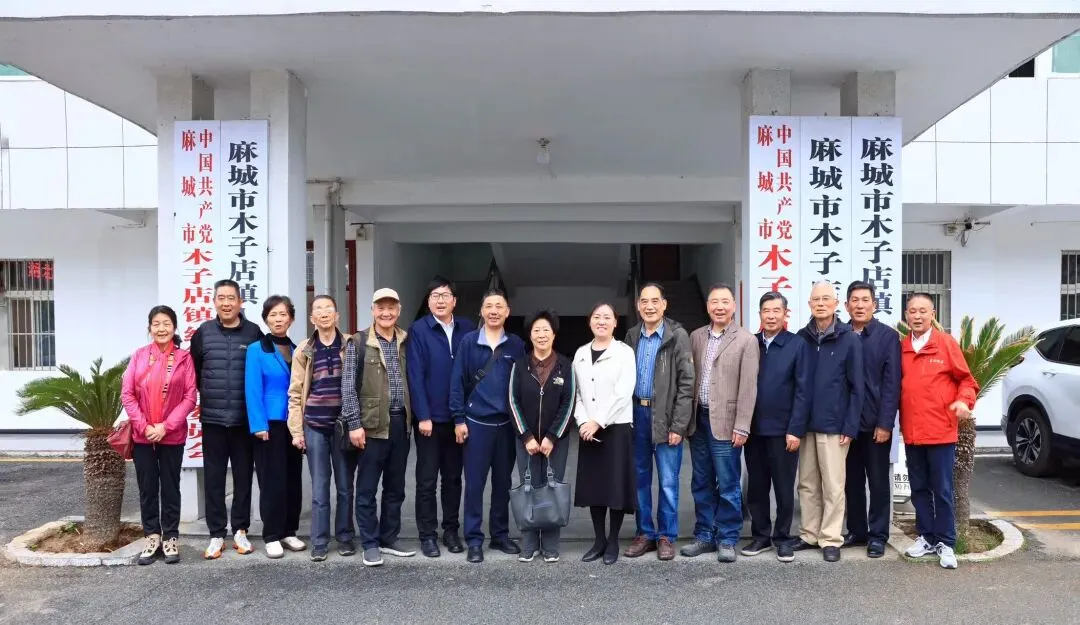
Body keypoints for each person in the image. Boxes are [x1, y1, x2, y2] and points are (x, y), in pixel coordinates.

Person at [899, 293, 978, 570]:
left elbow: (967, 381)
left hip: (941, 432)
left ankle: (946, 542)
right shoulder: (902, 348)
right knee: (919, 489)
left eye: (923, 311)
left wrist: (964, 401)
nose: (917, 316)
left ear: (933, 314)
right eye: (912, 311)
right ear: (906, 315)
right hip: (912, 432)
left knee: (942, 490)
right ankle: (926, 537)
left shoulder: (945, 344)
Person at [682, 284, 760, 563]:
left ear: (734, 306)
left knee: (728, 483)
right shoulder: (696, 336)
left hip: (727, 423)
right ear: (708, 306)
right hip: (699, 420)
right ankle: (704, 534)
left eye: (725, 302)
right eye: (714, 302)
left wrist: (742, 425)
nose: (719, 307)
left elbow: (749, 387)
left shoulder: (746, 340)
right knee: (700, 481)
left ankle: (727, 537)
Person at [342, 288, 417, 567]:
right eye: (381, 307)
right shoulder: (359, 342)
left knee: (396, 487)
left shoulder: (406, 341)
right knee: (367, 488)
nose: (386, 313)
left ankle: (388, 537)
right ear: (373, 310)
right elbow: (348, 386)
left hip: (400, 423)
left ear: (399, 310)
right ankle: (370, 543)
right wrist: (354, 424)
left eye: (391, 307)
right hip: (371, 425)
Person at [449, 289, 526, 563]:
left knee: (503, 483)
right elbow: (457, 381)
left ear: (507, 312)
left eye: (499, 306)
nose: (494, 311)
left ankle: (500, 535)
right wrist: (458, 419)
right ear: (481, 311)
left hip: (506, 426)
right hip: (475, 425)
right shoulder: (469, 342)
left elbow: (522, 384)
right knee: (474, 485)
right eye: (489, 306)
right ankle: (473, 539)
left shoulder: (515, 345)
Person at [189, 279, 263, 560]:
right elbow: (195, 371)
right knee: (214, 477)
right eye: (221, 298)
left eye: (231, 298)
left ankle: (240, 530)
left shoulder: (253, 333)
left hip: (244, 420)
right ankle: (216, 533)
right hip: (213, 419)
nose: (226, 303)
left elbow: (259, 372)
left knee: (243, 477)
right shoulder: (203, 333)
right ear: (214, 302)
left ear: (240, 302)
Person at [792, 281, 864, 563]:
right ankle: (809, 533)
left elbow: (857, 387)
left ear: (836, 304)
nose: (820, 304)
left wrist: (850, 425)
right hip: (806, 424)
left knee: (833, 485)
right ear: (809, 304)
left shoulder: (849, 339)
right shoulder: (802, 338)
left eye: (826, 299)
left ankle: (831, 538)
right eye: (816, 299)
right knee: (807, 483)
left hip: (835, 426)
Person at [623, 283, 695, 561]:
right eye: (644, 301)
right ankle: (645, 533)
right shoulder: (632, 335)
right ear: (638, 306)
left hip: (665, 416)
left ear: (664, 305)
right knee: (639, 479)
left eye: (655, 301)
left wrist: (679, 425)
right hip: (637, 415)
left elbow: (687, 383)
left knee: (667, 481)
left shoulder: (677, 335)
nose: (649, 306)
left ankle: (666, 536)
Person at [406, 276, 476, 557]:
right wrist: (423, 414)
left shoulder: (467, 328)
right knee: (426, 480)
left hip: (458, 419)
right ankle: (427, 535)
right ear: (428, 301)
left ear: (454, 301)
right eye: (435, 295)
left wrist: (465, 415)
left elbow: (472, 372)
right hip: (430, 420)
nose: (440, 300)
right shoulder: (419, 330)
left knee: (453, 478)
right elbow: (415, 374)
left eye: (445, 295)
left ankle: (450, 531)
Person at [122, 305, 197, 565]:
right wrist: (144, 427)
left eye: (166, 323)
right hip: (143, 436)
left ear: (174, 328)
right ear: (149, 328)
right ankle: (152, 536)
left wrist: (166, 426)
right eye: (156, 324)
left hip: (172, 435)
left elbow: (190, 396)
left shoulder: (184, 359)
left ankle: (171, 537)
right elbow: (127, 395)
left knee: (170, 487)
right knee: (147, 488)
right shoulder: (139, 356)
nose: (161, 328)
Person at [742, 292, 810, 563]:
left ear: (785, 314)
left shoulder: (797, 344)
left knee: (783, 488)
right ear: (760, 314)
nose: (771, 316)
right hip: (754, 429)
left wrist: (795, 429)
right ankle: (760, 535)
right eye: (766, 311)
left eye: (776, 311)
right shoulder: (751, 343)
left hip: (784, 431)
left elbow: (803, 391)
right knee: (757, 487)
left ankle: (782, 538)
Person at [287, 294, 356, 562]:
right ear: (312, 318)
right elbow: (295, 393)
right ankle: (319, 540)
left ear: (337, 315)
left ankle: (345, 537)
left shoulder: (350, 344)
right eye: (318, 309)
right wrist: (297, 431)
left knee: (345, 486)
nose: (324, 313)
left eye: (329, 308)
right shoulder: (304, 349)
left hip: (343, 426)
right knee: (319, 488)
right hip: (314, 425)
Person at [508, 310, 576, 563]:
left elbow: (569, 403)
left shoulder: (565, 366)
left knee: (551, 487)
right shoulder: (519, 365)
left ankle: (550, 544)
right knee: (528, 488)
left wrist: (551, 437)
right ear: (530, 335)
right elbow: (512, 401)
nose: (541, 335)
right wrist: (526, 436)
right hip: (525, 441)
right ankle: (528, 543)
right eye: (536, 330)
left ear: (554, 334)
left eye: (546, 330)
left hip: (555, 442)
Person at [573, 302, 637, 565]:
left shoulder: (624, 352)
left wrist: (598, 421)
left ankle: (613, 541)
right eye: (597, 317)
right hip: (588, 428)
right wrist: (582, 422)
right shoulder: (580, 353)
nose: (601, 321)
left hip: (616, 427)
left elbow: (624, 393)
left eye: (607, 317)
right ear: (590, 322)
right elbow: (576, 393)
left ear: (615, 323)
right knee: (595, 488)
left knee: (615, 487)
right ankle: (598, 540)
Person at [842, 281, 901, 559]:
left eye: (865, 300)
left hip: (876, 424)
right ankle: (857, 531)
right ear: (846, 306)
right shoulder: (840, 334)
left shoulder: (887, 337)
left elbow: (892, 384)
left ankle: (878, 535)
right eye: (854, 300)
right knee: (851, 481)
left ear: (874, 305)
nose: (860, 305)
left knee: (877, 482)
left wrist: (885, 423)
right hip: (847, 425)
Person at [245, 295, 306, 559]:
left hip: (293, 424)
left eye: (283, 314)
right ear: (266, 319)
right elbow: (252, 389)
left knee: (293, 478)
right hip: (269, 424)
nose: (278, 319)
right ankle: (271, 534)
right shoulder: (256, 349)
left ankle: (289, 530)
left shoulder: (297, 348)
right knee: (272, 480)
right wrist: (258, 425)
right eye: (273, 315)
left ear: (291, 318)